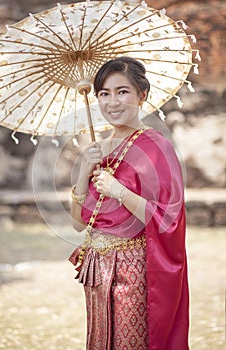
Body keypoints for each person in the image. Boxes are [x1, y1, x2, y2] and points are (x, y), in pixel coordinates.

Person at [69, 56, 189, 350]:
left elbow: (167, 218)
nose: (113, 102)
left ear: (142, 95)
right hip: (96, 268)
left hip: (134, 271)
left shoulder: (155, 146)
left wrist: (120, 191)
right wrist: (84, 172)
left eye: (122, 91)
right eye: (104, 94)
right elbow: (77, 223)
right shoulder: (100, 151)